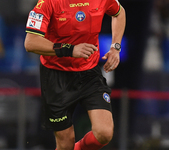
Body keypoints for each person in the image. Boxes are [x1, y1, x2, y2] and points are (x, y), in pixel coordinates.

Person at [24, 0, 126, 149]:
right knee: (65, 144)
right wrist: (70, 49)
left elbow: (119, 13)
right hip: (56, 76)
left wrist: (115, 47)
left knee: (104, 133)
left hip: (89, 72)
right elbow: (30, 42)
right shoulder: (47, 3)